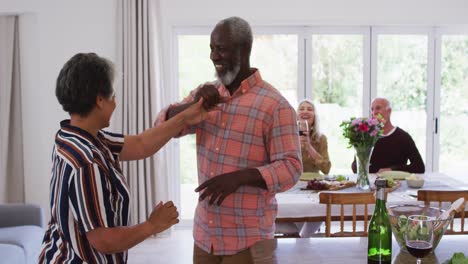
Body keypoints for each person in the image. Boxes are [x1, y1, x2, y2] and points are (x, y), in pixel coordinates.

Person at [154, 17, 302, 263]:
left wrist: (240, 177)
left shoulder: (275, 105)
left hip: (248, 241)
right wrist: (193, 106)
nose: (213, 56)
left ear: (243, 49)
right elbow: (162, 126)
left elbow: (291, 168)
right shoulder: (206, 95)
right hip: (205, 237)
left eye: (220, 48)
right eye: (211, 48)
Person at [39, 53, 209, 263]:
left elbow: (140, 145)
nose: (115, 103)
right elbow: (104, 240)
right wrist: (152, 225)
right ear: (100, 100)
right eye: (113, 97)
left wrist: (184, 117)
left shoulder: (72, 136)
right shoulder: (86, 162)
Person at [352, 97, 425, 173]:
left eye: (378, 108)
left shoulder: (403, 137)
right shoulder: (367, 136)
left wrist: (392, 170)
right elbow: (355, 167)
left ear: (389, 111)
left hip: (396, 183)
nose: (374, 113)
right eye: (372, 109)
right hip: (372, 183)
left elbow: (419, 167)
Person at [297, 99, 331, 175]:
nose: (305, 111)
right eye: (301, 109)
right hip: (292, 183)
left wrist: (309, 147)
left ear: (314, 116)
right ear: (296, 116)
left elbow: (326, 169)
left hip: (313, 183)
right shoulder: (288, 137)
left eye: (310, 109)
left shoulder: (321, 138)